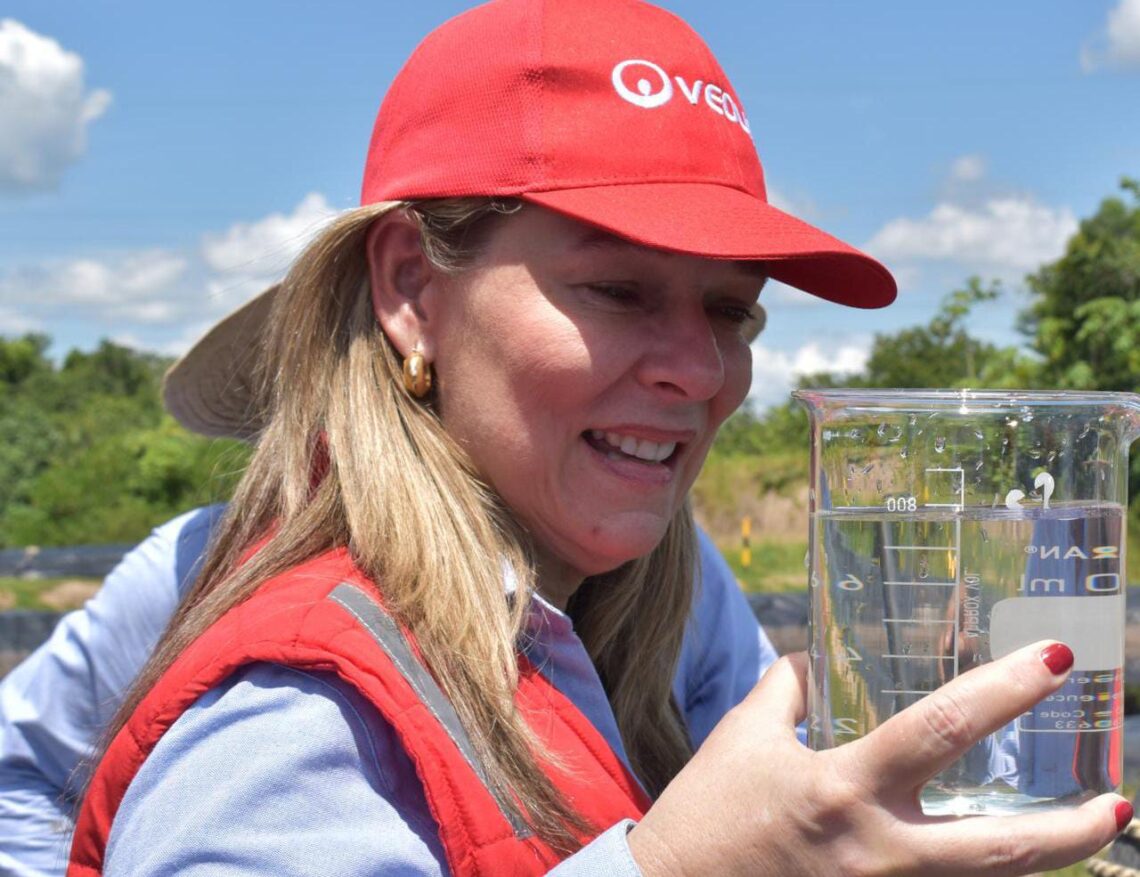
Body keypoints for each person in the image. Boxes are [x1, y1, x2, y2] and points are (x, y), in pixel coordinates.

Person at [60, 0, 1132, 874]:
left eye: (731, 310)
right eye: (617, 287)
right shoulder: (293, 722)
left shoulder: (653, 591)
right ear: (410, 288)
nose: (702, 370)